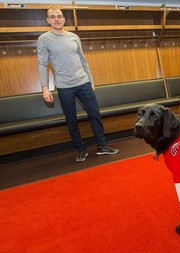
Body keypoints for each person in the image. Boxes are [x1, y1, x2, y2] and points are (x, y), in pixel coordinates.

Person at [37, 6, 119, 162]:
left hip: (83, 83)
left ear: (64, 19)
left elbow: (83, 59)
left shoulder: (73, 37)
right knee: (72, 120)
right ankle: (81, 149)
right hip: (64, 86)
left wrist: (90, 80)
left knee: (95, 114)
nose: (56, 19)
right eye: (52, 17)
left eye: (59, 16)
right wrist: (44, 88)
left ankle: (102, 146)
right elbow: (42, 64)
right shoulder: (44, 39)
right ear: (48, 20)